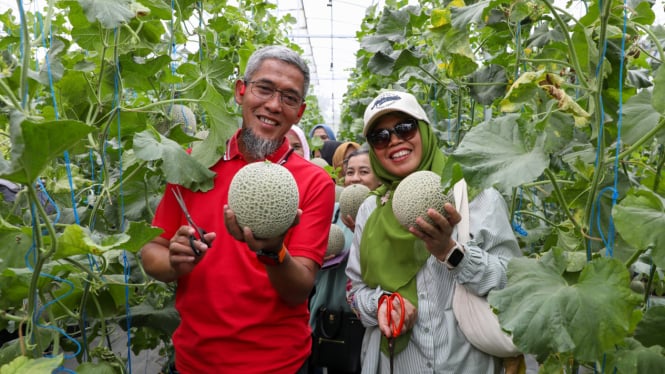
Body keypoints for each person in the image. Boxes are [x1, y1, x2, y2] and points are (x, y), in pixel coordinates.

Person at [140, 45, 335, 374]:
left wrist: (273, 251)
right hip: (193, 363)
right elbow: (151, 252)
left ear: (299, 112)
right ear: (240, 90)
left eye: (288, 98)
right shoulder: (193, 161)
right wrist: (175, 261)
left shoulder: (315, 182)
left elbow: (299, 288)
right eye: (264, 88)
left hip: (280, 366)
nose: (273, 105)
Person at [345, 90, 521, 373]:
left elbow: (511, 283)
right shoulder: (370, 211)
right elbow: (354, 292)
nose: (394, 141)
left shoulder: (476, 196)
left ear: (424, 130)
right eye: (380, 137)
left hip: (467, 364)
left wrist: (451, 253)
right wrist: (382, 304)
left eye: (405, 127)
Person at [308, 148, 381, 374]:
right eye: (350, 172)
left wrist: (364, 239)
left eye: (364, 171)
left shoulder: (385, 216)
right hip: (327, 314)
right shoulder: (332, 212)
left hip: (365, 319)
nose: (355, 178)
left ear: (379, 177)